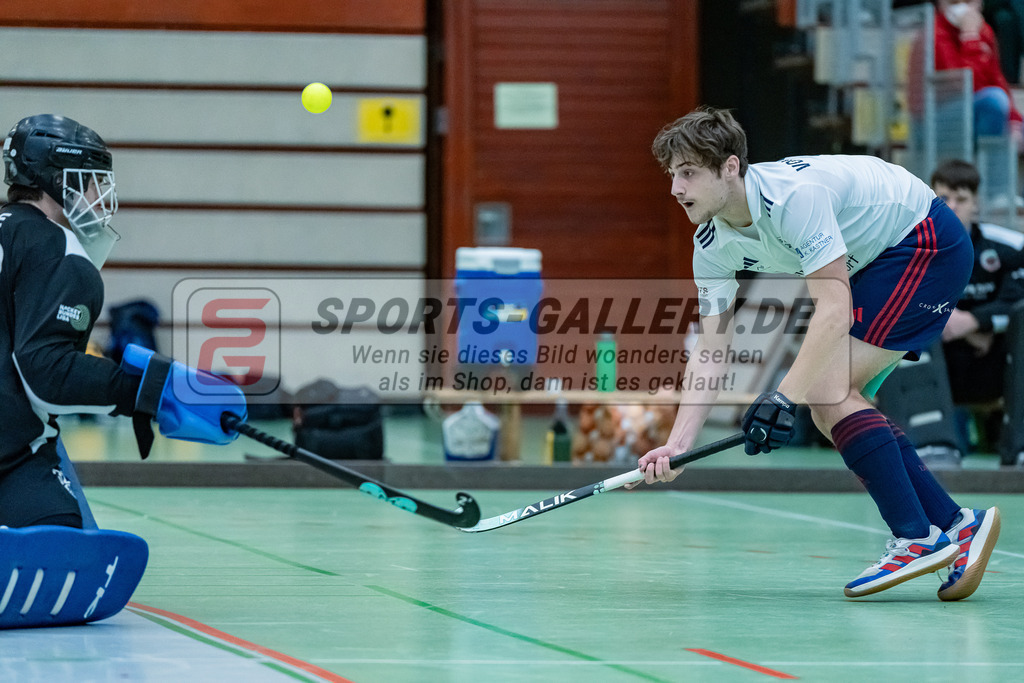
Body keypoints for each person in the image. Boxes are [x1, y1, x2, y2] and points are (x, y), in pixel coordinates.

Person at [633, 106, 1001, 601]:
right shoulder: (711, 242)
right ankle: (956, 525)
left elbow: (832, 309)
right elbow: (712, 348)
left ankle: (917, 538)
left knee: (829, 394)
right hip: (875, 258)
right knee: (835, 406)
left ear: (730, 168)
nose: (676, 188)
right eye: (672, 175)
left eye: (688, 172)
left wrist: (782, 398)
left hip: (923, 240)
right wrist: (679, 445)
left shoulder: (793, 200)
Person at [0, 114, 247, 627]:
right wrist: (146, 390)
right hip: (10, 454)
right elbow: (47, 372)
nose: (97, 198)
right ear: (59, 180)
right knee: (71, 555)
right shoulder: (63, 254)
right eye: (91, 182)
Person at [931, 158, 1024, 453]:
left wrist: (975, 322)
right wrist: (963, 326)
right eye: (944, 198)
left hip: (993, 362)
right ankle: (934, 446)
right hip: (940, 359)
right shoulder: (913, 250)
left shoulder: (1007, 249)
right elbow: (908, 300)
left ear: (976, 204)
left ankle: (1018, 449)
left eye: (961, 199)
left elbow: (1016, 302)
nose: (953, 206)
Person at [911, 0, 1024, 145]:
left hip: (972, 110)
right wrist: (969, 36)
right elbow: (964, 85)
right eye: (954, 2)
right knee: (994, 101)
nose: (962, 8)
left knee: (1015, 122)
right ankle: (985, 165)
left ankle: (991, 162)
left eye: (968, 2)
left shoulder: (984, 31)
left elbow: (997, 80)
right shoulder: (933, 33)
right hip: (933, 121)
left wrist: (1014, 119)